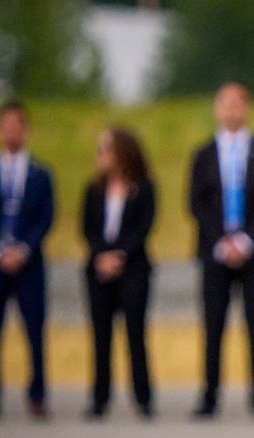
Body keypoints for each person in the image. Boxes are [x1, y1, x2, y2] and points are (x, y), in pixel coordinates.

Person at [188, 82, 254, 418]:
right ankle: (210, 394)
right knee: (213, 325)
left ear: (247, 108)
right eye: (225, 103)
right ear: (217, 108)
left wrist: (245, 240)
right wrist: (221, 239)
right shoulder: (203, 154)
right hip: (215, 250)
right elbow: (196, 202)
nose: (231, 110)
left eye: (237, 103)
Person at [82, 127, 156, 419]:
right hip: (98, 270)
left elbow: (144, 226)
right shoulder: (94, 189)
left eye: (106, 149)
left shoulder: (144, 187)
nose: (100, 156)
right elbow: (86, 227)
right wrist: (101, 255)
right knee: (100, 336)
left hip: (133, 268)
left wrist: (120, 254)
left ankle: (143, 397)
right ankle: (100, 398)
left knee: (135, 334)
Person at [0, 101, 54, 420]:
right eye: (7, 126)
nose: (12, 131)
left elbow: (46, 218)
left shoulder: (41, 175)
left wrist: (23, 249)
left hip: (29, 265)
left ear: (26, 130)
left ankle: (37, 394)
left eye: (18, 126)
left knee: (34, 331)